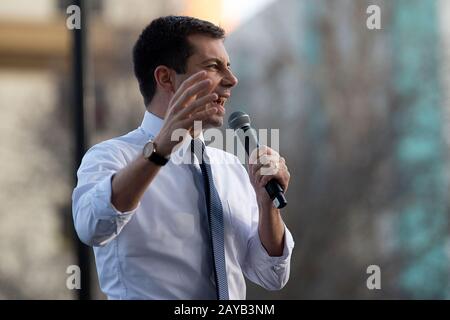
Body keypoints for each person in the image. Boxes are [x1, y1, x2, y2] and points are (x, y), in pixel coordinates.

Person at [72, 15, 294, 300]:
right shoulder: (110, 157)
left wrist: (268, 207)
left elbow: (272, 275)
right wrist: (161, 147)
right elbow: (92, 226)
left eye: (228, 67)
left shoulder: (232, 168)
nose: (231, 80)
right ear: (166, 78)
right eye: (213, 67)